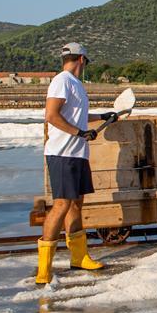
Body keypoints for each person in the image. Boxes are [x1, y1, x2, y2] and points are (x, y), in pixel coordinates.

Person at [37, 43, 112, 285]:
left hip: (77, 153)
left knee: (76, 204)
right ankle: (44, 269)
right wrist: (80, 133)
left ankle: (79, 257)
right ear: (82, 59)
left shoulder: (75, 84)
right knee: (61, 205)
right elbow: (52, 115)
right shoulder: (62, 80)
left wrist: (102, 117)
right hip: (62, 153)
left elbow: (76, 115)